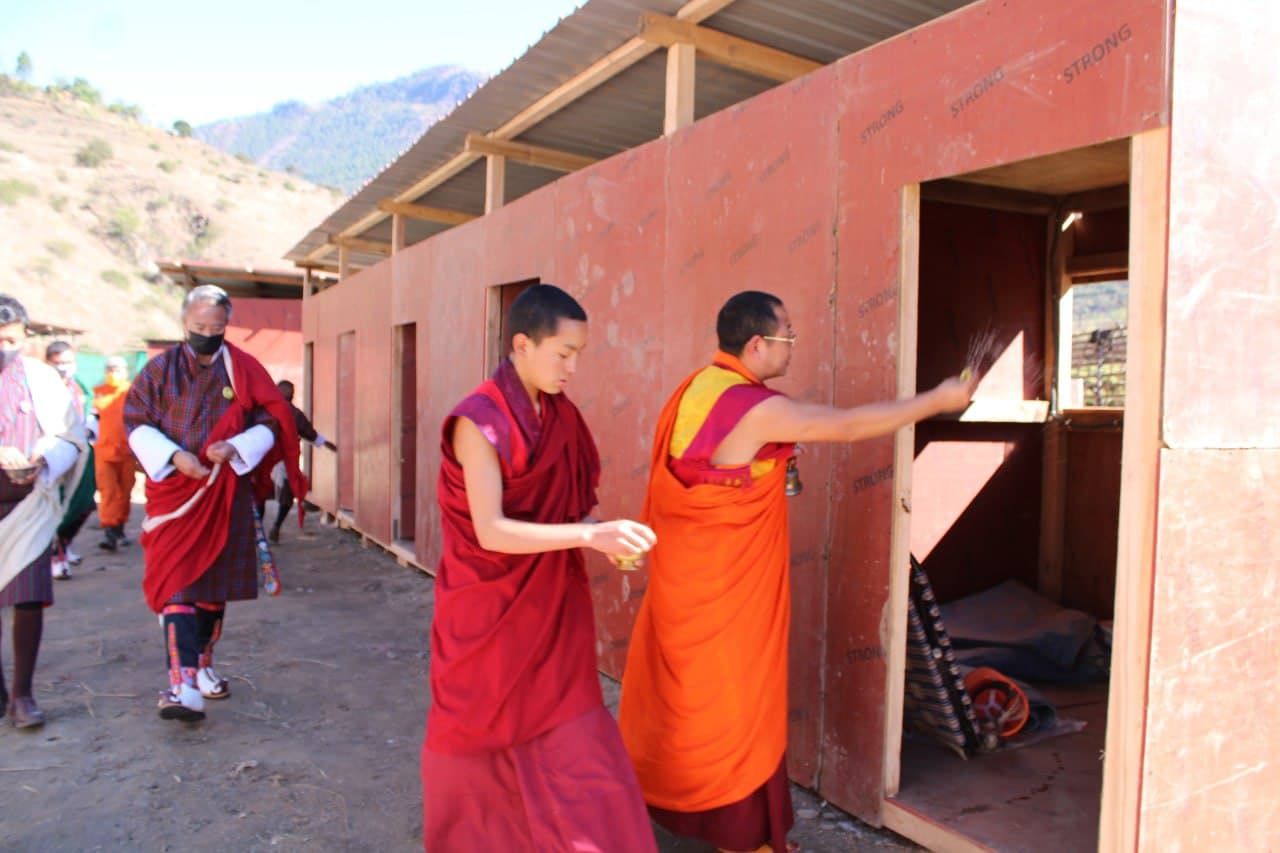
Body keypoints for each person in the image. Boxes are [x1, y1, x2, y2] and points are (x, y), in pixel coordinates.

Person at [618, 291, 977, 853]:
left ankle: (681, 815)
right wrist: (938, 399)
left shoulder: (692, 390)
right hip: (729, 600)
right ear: (757, 343)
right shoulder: (755, 407)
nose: (793, 346)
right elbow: (852, 425)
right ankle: (743, 839)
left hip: (684, 586)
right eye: (788, 335)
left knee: (687, 703)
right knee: (739, 710)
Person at [421, 284, 658, 852]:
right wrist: (588, 535)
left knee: (576, 738)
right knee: (480, 745)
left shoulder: (560, 416)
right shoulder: (478, 421)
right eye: (564, 354)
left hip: (551, 607)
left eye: (579, 354)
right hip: (486, 614)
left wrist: (607, 537)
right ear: (521, 344)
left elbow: (572, 507)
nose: (573, 367)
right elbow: (491, 529)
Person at [125, 285, 305, 722]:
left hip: (225, 491)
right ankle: (181, 683)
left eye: (216, 328)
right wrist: (175, 457)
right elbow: (134, 421)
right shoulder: (159, 371)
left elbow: (271, 418)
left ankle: (203, 664)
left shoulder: (242, 369)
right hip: (175, 495)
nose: (207, 335)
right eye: (199, 328)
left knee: (211, 591)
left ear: (227, 326)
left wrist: (238, 446)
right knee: (177, 585)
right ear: (184, 324)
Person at [0, 295, 86, 728]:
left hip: (29, 504)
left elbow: (72, 438)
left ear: (25, 336)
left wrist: (42, 457)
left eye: (9, 340)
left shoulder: (42, 380)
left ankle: (23, 696)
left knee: (28, 599)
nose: (3, 348)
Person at [255, 379, 335, 543]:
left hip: (262, 457)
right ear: (292, 396)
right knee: (288, 492)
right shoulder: (294, 413)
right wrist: (328, 445)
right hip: (283, 457)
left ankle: (258, 531)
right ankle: (276, 525)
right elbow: (309, 433)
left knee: (259, 493)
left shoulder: (261, 409)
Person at [45, 340, 97, 579]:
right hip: (53, 453)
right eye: (57, 363)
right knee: (55, 504)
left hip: (82, 451)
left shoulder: (80, 388)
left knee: (85, 504)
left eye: (67, 362)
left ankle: (64, 545)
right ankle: (55, 554)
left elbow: (91, 416)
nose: (63, 368)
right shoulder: (41, 388)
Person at [93, 355, 135, 552]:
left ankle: (119, 527)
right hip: (104, 451)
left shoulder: (133, 392)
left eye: (118, 370)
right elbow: (91, 419)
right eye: (110, 369)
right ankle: (110, 532)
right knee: (108, 491)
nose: (113, 373)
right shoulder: (99, 393)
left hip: (127, 452)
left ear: (125, 372)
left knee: (125, 492)